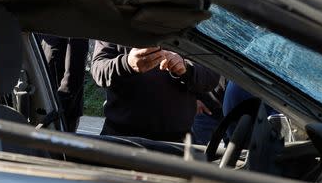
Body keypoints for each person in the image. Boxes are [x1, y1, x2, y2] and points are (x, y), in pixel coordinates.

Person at [91, 42, 220, 141]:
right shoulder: (118, 19)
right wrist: (127, 64)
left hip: (176, 144)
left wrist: (186, 69)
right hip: (120, 138)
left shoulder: (193, 25)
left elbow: (212, 76)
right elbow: (98, 70)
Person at [40, 36, 90, 132]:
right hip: (44, 102)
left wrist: (58, 106)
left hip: (61, 111)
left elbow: (74, 72)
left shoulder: (71, 25)